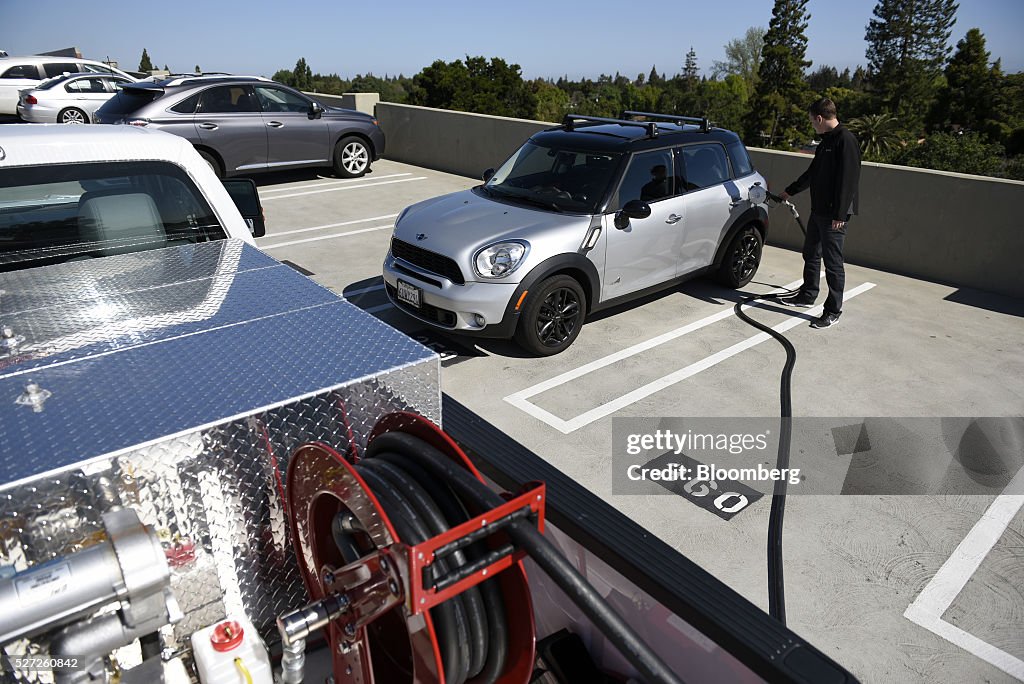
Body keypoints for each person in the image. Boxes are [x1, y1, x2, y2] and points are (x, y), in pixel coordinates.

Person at [778, 98, 861, 329]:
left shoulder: (846, 140)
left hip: (834, 215)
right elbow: (813, 173)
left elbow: (849, 180)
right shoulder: (826, 142)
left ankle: (833, 310)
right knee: (811, 252)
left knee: (833, 263)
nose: (812, 126)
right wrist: (789, 191)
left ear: (819, 118)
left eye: (812, 121)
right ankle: (808, 294)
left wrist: (840, 214)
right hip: (819, 210)